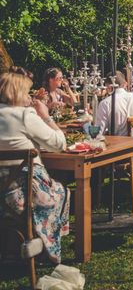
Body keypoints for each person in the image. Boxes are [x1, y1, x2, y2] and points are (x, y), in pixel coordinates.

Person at [0, 71, 69, 264]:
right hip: (23, 197)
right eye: (27, 92)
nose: (29, 97)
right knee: (62, 191)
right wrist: (46, 116)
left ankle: (17, 244)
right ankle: (44, 244)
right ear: (16, 92)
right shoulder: (24, 115)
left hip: (2, 193)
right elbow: (59, 144)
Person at [95, 71, 133, 137]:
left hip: (119, 145)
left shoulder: (106, 103)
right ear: (125, 84)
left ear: (108, 87)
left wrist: (86, 125)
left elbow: (99, 133)